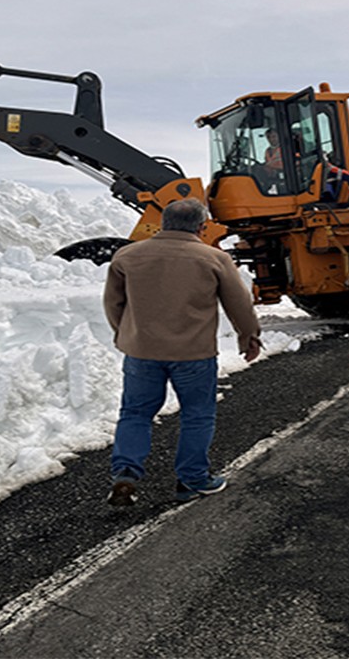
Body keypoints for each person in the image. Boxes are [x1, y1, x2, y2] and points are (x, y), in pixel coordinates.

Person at [102, 198, 263, 506]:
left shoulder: (128, 255)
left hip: (142, 352)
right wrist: (248, 337)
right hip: (194, 353)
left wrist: (125, 335)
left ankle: (125, 473)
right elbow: (238, 303)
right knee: (197, 415)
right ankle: (192, 480)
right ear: (202, 228)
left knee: (135, 413)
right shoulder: (213, 258)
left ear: (162, 224)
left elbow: (113, 303)